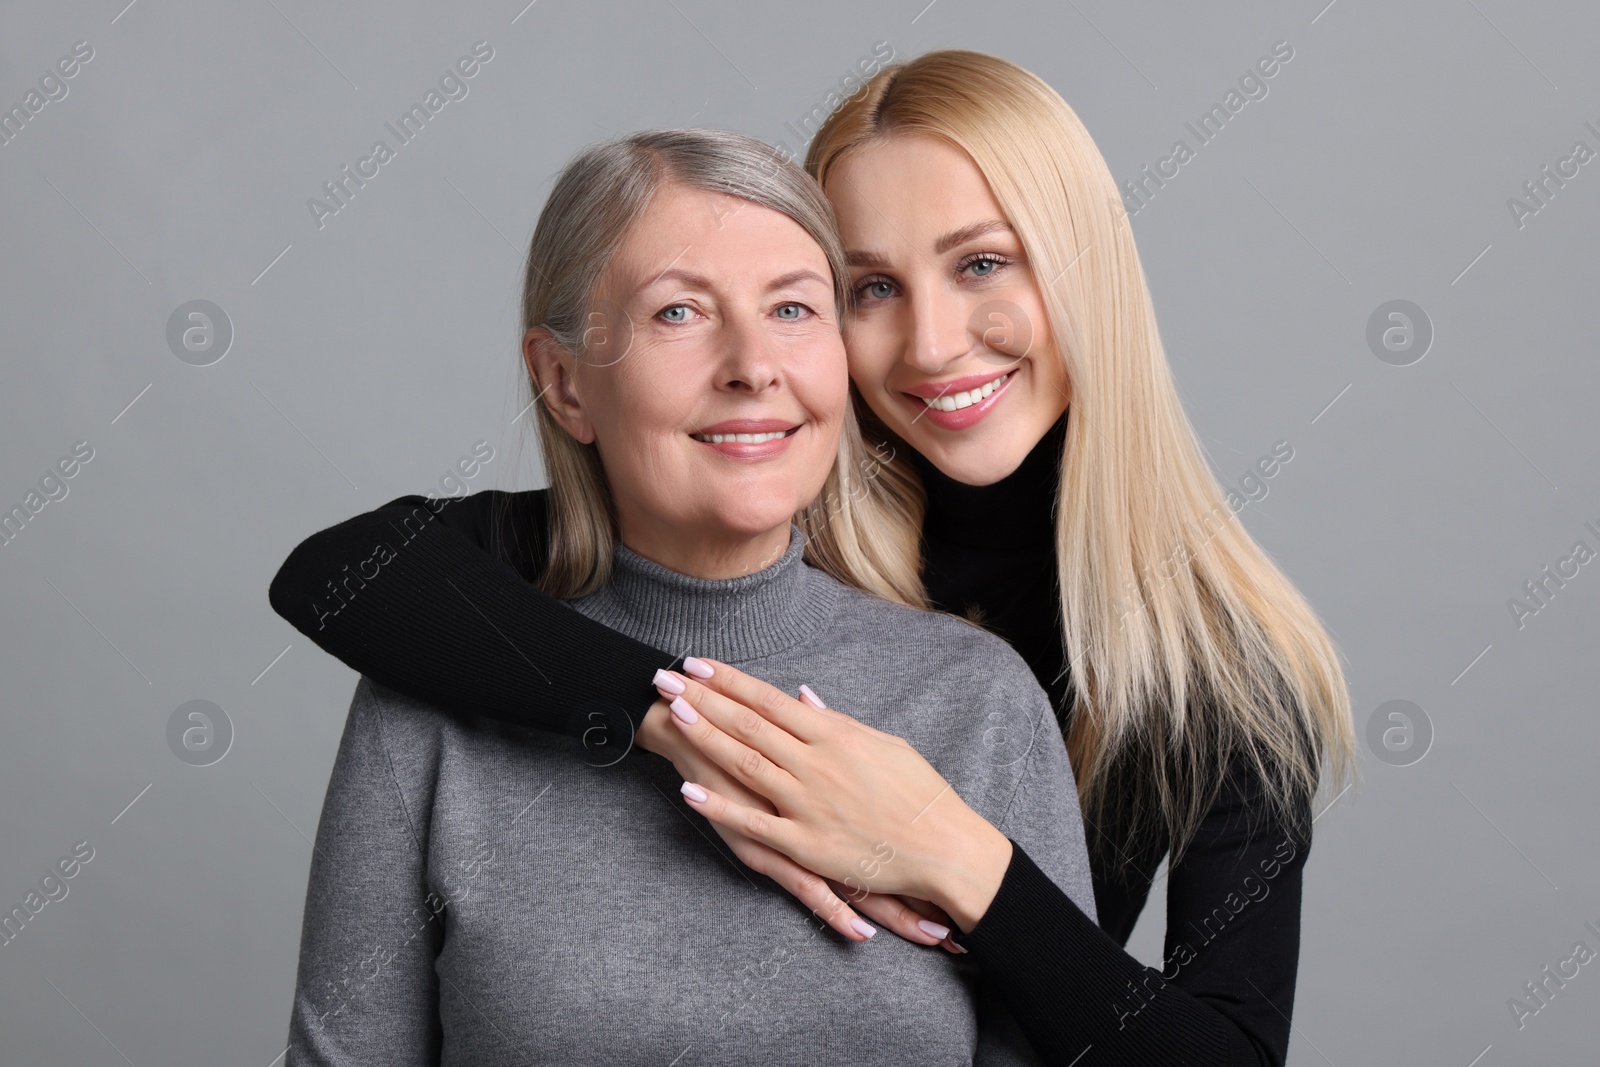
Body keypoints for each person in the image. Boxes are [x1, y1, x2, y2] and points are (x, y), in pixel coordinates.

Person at [271, 52, 1356, 1066]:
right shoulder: (752, 503)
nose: (930, 343)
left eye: (982, 261)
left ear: (1088, 274)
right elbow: (345, 571)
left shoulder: (1202, 668)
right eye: (869, 288)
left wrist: (950, 850)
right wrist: (673, 722)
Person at [283, 127, 1095, 1067]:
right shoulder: (430, 695)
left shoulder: (975, 699)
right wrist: (662, 711)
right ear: (563, 382)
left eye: (794, 309)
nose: (754, 364)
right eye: (679, 313)